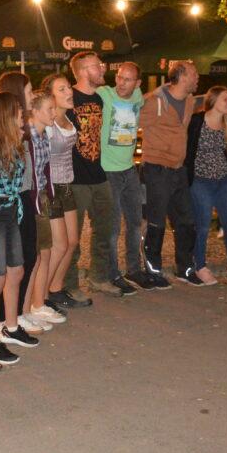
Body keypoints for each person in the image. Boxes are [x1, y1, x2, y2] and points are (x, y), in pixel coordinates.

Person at [67, 51, 139, 295]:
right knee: (72, 237)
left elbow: (132, 96)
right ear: (84, 70)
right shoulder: (69, 98)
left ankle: (98, 278)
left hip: (99, 175)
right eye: (97, 66)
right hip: (75, 179)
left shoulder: (99, 99)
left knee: (104, 230)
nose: (103, 69)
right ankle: (68, 286)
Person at [0, 92, 37, 366]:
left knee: (17, 270)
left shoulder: (15, 143)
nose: (22, 115)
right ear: (5, 115)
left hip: (11, 211)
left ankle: (11, 326)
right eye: (17, 111)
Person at [0, 72, 45, 335]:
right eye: (30, 90)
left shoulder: (21, 128)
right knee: (10, 266)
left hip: (23, 197)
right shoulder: (6, 132)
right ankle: (4, 319)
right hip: (11, 202)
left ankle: (17, 314)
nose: (33, 96)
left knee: (25, 259)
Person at [140, 60, 200, 286]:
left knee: (186, 220)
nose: (197, 77)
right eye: (194, 74)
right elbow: (129, 118)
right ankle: (153, 271)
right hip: (156, 168)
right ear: (182, 76)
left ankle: (185, 269)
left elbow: (210, 102)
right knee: (156, 222)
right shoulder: (154, 102)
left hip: (178, 169)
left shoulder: (189, 100)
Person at [40, 73, 90, 310]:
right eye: (62, 89)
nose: (69, 92)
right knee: (58, 245)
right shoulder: (47, 124)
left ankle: (55, 289)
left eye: (68, 87)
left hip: (67, 185)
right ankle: (39, 298)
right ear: (50, 96)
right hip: (51, 188)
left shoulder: (69, 118)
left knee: (72, 242)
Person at [97, 61, 149, 290]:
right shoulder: (104, 94)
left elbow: (156, 93)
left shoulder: (138, 96)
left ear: (137, 83)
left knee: (135, 223)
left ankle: (134, 270)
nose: (121, 83)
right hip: (108, 171)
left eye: (127, 79)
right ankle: (112, 274)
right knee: (113, 227)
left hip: (129, 170)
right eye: (119, 77)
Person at [184, 86, 227, 284]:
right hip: (201, 180)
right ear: (213, 100)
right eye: (225, 99)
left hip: (223, 181)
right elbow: (188, 148)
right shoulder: (197, 121)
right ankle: (200, 265)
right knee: (202, 225)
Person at [22, 89, 63, 327]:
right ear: (35, 111)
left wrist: (48, 195)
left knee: (43, 253)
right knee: (37, 255)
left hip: (42, 199)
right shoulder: (28, 136)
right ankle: (30, 307)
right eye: (50, 109)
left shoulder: (43, 134)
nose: (54, 113)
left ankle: (36, 304)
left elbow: (45, 169)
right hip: (32, 201)